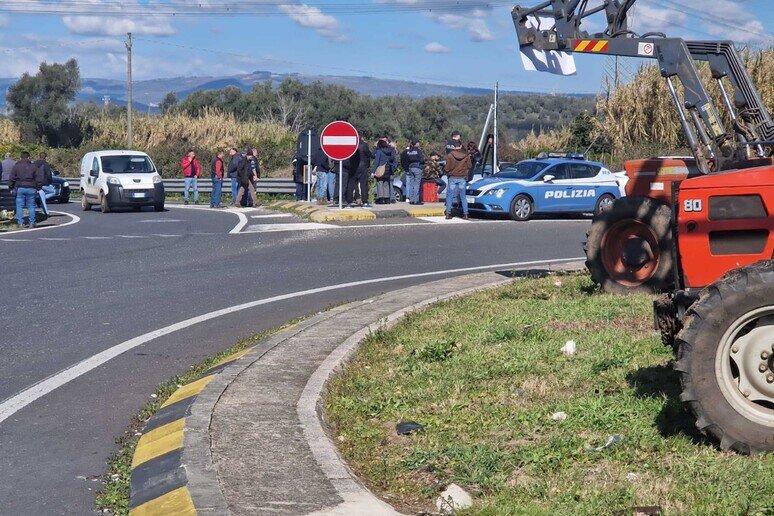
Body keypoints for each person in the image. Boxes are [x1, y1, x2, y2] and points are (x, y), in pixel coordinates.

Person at [9, 151, 43, 227]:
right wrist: (38, 188)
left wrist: (11, 187)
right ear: (28, 157)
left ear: (21, 157)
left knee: (19, 206)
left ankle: (20, 223)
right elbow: (39, 178)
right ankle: (32, 222)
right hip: (31, 188)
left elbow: (11, 178)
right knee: (31, 206)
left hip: (20, 188)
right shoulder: (34, 166)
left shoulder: (16, 166)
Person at [444, 141, 472, 220]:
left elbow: (447, 168)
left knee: (450, 196)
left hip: (452, 177)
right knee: (463, 196)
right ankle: (466, 214)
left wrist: (447, 171)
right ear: (460, 146)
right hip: (462, 177)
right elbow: (470, 166)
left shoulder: (449, 155)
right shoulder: (466, 156)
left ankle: (448, 214)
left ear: (453, 147)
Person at [346, 137, 372, 208]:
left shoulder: (351, 144)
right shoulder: (364, 145)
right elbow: (369, 155)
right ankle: (365, 202)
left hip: (353, 167)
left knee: (350, 185)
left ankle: (349, 202)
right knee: (364, 185)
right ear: (361, 137)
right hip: (363, 167)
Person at [372, 139, 397, 204]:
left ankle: (381, 199)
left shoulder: (379, 151)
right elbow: (393, 159)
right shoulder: (390, 150)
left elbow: (376, 162)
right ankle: (387, 199)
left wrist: (373, 171)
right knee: (386, 183)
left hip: (381, 169)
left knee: (380, 183)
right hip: (388, 169)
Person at [34, 152, 55, 217]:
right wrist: (50, 182)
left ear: (39, 156)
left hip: (36, 184)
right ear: (45, 157)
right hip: (44, 183)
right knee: (53, 191)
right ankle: (38, 199)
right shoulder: (46, 164)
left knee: (42, 196)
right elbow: (49, 175)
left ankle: (46, 212)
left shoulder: (34, 164)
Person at [404, 140, 425, 205]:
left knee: (411, 184)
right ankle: (416, 200)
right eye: (418, 142)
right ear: (416, 144)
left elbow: (406, 160)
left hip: (410, 168)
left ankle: (411, 200)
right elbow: (422, 160)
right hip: (417, 168)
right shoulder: (418, 151)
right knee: (417, 184)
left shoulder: (409, 151)